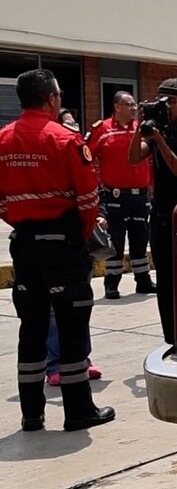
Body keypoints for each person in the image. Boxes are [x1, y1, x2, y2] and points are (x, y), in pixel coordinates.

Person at [0, 69, 116, 431]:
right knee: (71, 326)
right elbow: (87, 199)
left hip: (25, 247)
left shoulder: (2, 140)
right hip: (63, 246)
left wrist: (22, 221)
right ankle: (78, 410)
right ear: (51, 98)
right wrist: (81, 239)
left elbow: (2, 203)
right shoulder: (65, 139)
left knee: (31, 327)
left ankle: (31, 413)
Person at [129, 78, 177, 344]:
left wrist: (159, 139)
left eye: (171, 102)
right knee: (164, 279)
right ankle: (170, 338)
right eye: (162, 101)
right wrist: (139, 130)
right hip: (161, 214)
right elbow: (132, 158)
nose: (166, 107)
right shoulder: (156, 131)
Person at [45, 108, 104, 387]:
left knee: (81, 304)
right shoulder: (56, 152)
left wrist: (95, 218)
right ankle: (55, 364)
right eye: (67, 124)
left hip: (76, 237)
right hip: (62, 237)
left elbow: (89, 189)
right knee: (55, 310)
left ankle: (82, 359)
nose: (73, 128)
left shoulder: (76, 150)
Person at [91, 90, 154, 299]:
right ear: (117, 107)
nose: (134, 108)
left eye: (135, 105)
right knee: (116, 240)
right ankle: (112, 284)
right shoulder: (103, 129)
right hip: (115, 197)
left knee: (140, 238)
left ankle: (143, 281)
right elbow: (86, 159)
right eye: (129, 105)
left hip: (140, 196)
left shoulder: (143, 129)